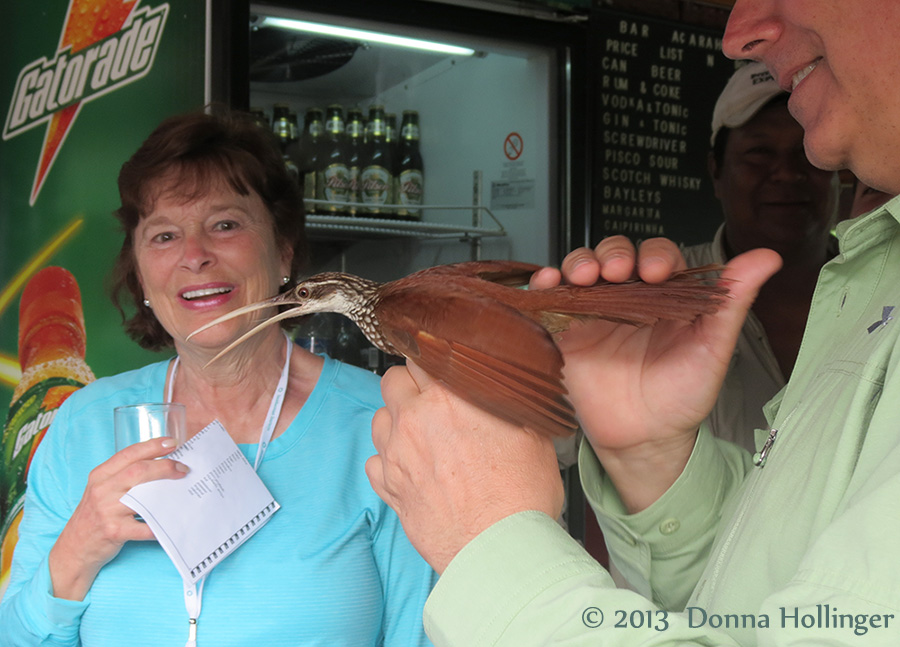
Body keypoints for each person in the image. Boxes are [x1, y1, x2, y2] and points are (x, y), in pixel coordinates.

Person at [364, 1, 900, 645]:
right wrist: (653, 463)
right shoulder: (875, 269)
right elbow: (784, 606)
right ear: (717, 172)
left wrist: (494, 546)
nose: (737, 34)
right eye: (757, 155)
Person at [0, 110, 436, 646]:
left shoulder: (382, 425)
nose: (194, 256)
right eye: (163, 235)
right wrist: (78, 547)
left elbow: (418, 635)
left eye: (225, 224)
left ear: (284, 249)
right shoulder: (81, 425)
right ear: (139, 273)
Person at [682, 60, 839, 451]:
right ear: (716, 171)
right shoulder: (658, 301)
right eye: (759, 152)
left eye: (808, 148)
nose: (787, 173)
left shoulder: (887, 292)